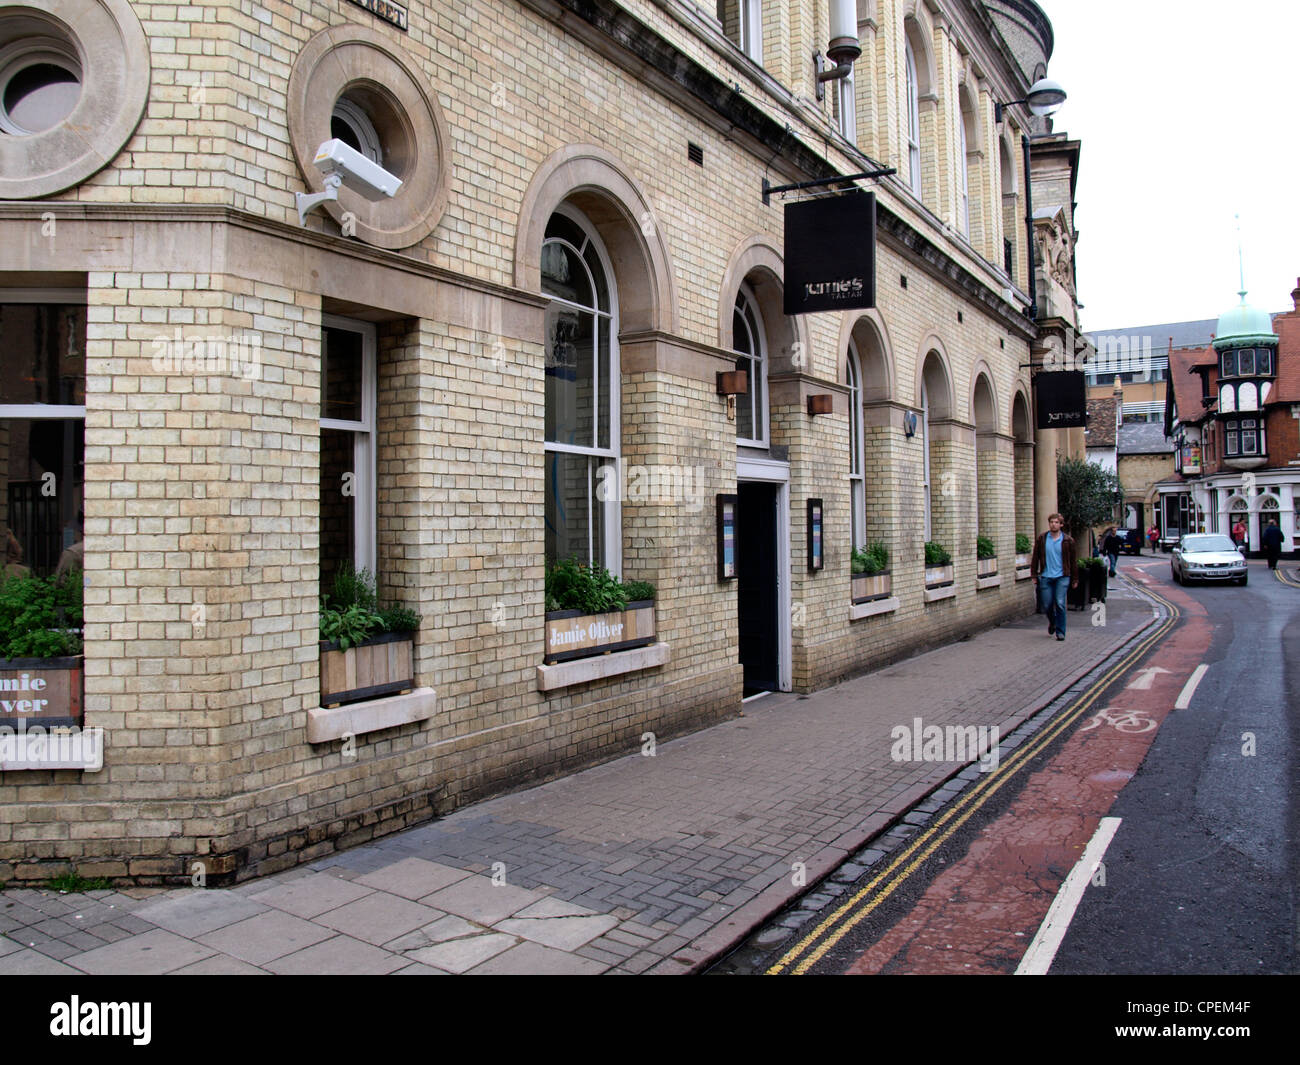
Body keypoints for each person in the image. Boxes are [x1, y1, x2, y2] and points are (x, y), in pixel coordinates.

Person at [1030, 513, 1078, 642]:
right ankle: (1053, 622)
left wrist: (1074, 579)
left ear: (1061, 525)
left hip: (1062, 577)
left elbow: (1073, 561)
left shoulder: (1068, 541)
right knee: (1047, 605)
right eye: (1051, 522)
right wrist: (1034, 574)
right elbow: (1035, 557)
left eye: (1056, 522)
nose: (1053, 524)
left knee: (1060, 603)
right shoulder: (1042, 539)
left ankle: (1060, 632)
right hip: (1046, 576)